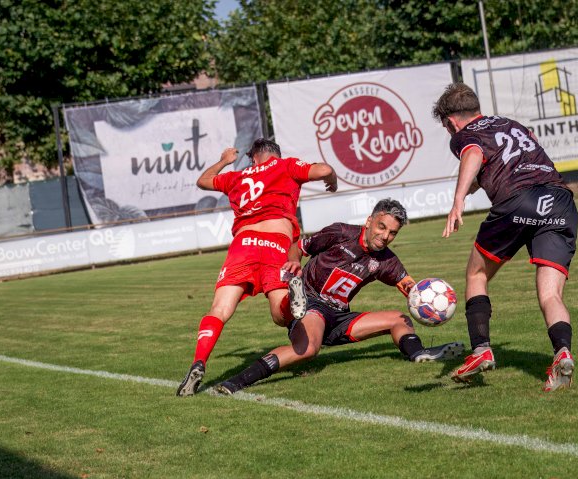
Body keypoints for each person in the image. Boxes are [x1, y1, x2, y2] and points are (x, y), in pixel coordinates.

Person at [214, 199, 464, 395]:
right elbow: (298, 247)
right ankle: (238, 380)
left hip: (339, 316)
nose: (385, 236)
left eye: (392, 233)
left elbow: (409, 286)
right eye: (381, 227)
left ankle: (418, 353)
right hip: (312, 305)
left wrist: (426, 298)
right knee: (308, 350)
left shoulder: (387, 260)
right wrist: (293, 261)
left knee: (398, 318)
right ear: (369, 221)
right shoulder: (340, 232)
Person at [433, 82, 578, 391]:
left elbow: (473, 153)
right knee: (550, 294)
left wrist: (458, 199)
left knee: (475, 274)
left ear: (451, 121)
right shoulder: (511, 124)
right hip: (559, 199)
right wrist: (474, 185)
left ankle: (481, 350)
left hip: (517, 201)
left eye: (447, 127)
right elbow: (519, 149)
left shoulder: (464, 135)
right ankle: (562, 353)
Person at [176, 138, 338, 397]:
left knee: (220, 309)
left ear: (253, 158)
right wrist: (333, 180)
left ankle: (199, 361)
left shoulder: (236, 177)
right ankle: (291, 299)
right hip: (276, 243)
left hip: (244, 244)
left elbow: (203, 181)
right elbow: (325, 170)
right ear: (275, 154)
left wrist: (224, 161)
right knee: (280, 314)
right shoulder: (285, 166)